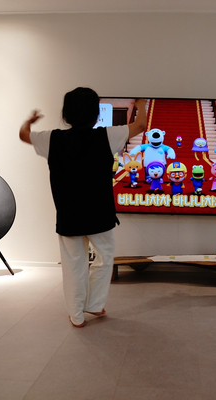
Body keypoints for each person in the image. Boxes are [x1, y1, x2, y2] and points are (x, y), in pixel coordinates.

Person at [19, 88, 147, 327]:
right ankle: (94, 305)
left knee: (73, 266)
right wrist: (140, 104)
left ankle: (77, 315)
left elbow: (24, 135)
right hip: (100, 214)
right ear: (96, 114)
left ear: (65, 115)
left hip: (69, 215)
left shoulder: (52, 139)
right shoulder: (107, 135)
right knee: (105, 259)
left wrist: (30, 120)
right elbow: (140, 125)